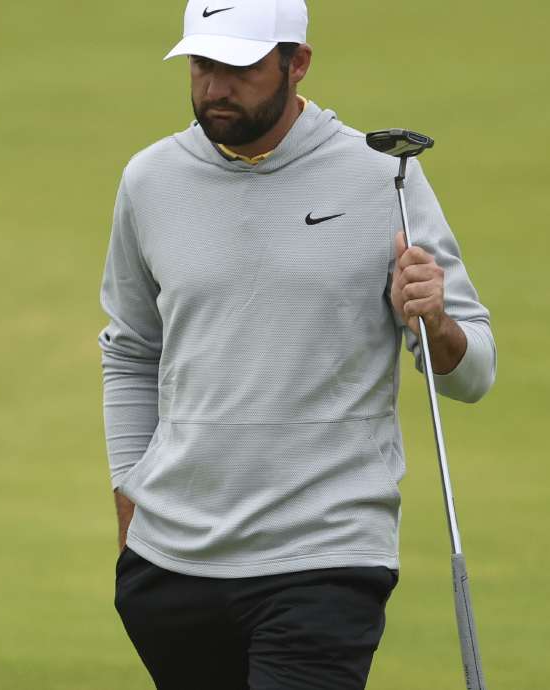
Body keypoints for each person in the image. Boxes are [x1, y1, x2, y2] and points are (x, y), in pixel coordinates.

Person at [96, 0, 497, 687]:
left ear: (297, 63)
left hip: (325, 557)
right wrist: (130, 503)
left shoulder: (382, 179)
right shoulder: (150, 181)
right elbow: (133, 351)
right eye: (201, 65)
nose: (215, 87)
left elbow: (472, 373)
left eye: (239, 68)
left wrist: (434, 321)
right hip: (172, 564)